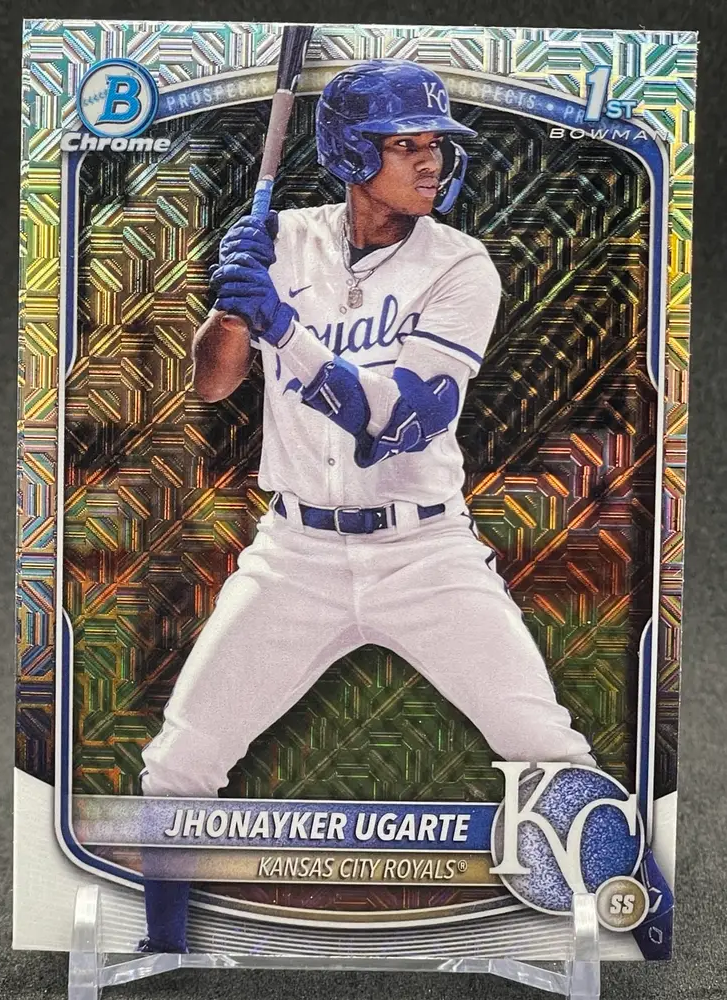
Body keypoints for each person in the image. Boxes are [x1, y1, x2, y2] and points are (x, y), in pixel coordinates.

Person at [136, 59, 670, 959]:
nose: (432, 161)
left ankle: (653, 932)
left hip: (425, 553)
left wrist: (284, 329)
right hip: (294, 552)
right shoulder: (284, 238)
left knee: (547, 750)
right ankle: (161, 954)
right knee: (179, 764)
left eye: (437, 144)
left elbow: (400, 422)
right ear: (352, 154)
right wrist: (232, 307)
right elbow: (213, 384)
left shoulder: (460, 263)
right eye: (406, 144)